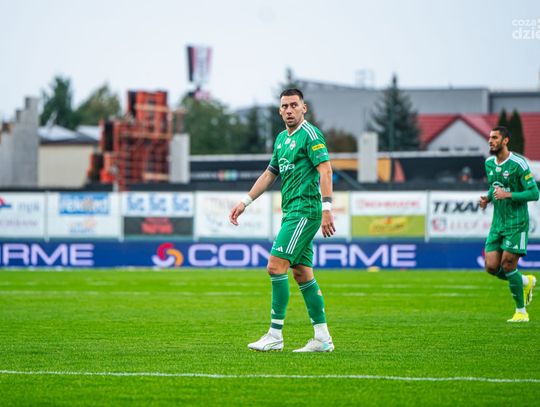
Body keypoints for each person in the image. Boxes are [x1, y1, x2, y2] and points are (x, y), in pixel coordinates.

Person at [229, 88, 336, 352]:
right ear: (279, 111)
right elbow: (269, 174)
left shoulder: (310, 135)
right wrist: (245, 202)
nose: (289, 110)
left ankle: (275, 335)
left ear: (303, 108)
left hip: (304, 210)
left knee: (275, 266)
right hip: (291, 212)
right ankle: (322, 338)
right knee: (301, 273)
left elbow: (326, 170)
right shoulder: (280, 139)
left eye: (293, 105)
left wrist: (327, 208)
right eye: (285, 106)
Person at [479, 126, 539, 322]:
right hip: (498, 223)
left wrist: (508, 195)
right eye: (490, 137)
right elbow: (494, 186)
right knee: (491, 267)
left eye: (495, 138)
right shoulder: (489, 163)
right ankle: (525, 281)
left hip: (516, 223)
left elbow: (534, 193)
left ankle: (521, 312)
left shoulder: (518, 164)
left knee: (507, 264)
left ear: (505, 141)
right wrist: (488, 198)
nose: (491, 141)